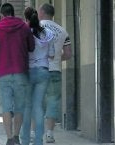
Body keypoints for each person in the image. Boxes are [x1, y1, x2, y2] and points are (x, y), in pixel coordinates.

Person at [0, 3, 35, 145]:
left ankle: (9, 138)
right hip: (21, 72)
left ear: (1, 15)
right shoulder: (24, 27)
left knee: (6, 107)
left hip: (3, 73)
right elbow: (31, 47)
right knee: (20, 107)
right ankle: (16, 136)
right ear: (13, 13)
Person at [38, 3, 72, 143]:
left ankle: (36, 133)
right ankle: (50, 134)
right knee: (53, 101)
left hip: (38, 69)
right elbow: (69, 54)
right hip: (55, 71)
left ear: (41, 12)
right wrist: (57, 58)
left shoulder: (35, 27)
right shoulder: (62, 31)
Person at [20, 7, 55, 145]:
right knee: (39, 107)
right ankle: (39, 141)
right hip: (43, 71)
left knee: (27, 106)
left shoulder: (24, 32)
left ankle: (25, 140)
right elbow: (52, 55)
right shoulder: (48, 33)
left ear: (26, 18)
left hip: (28, 71)